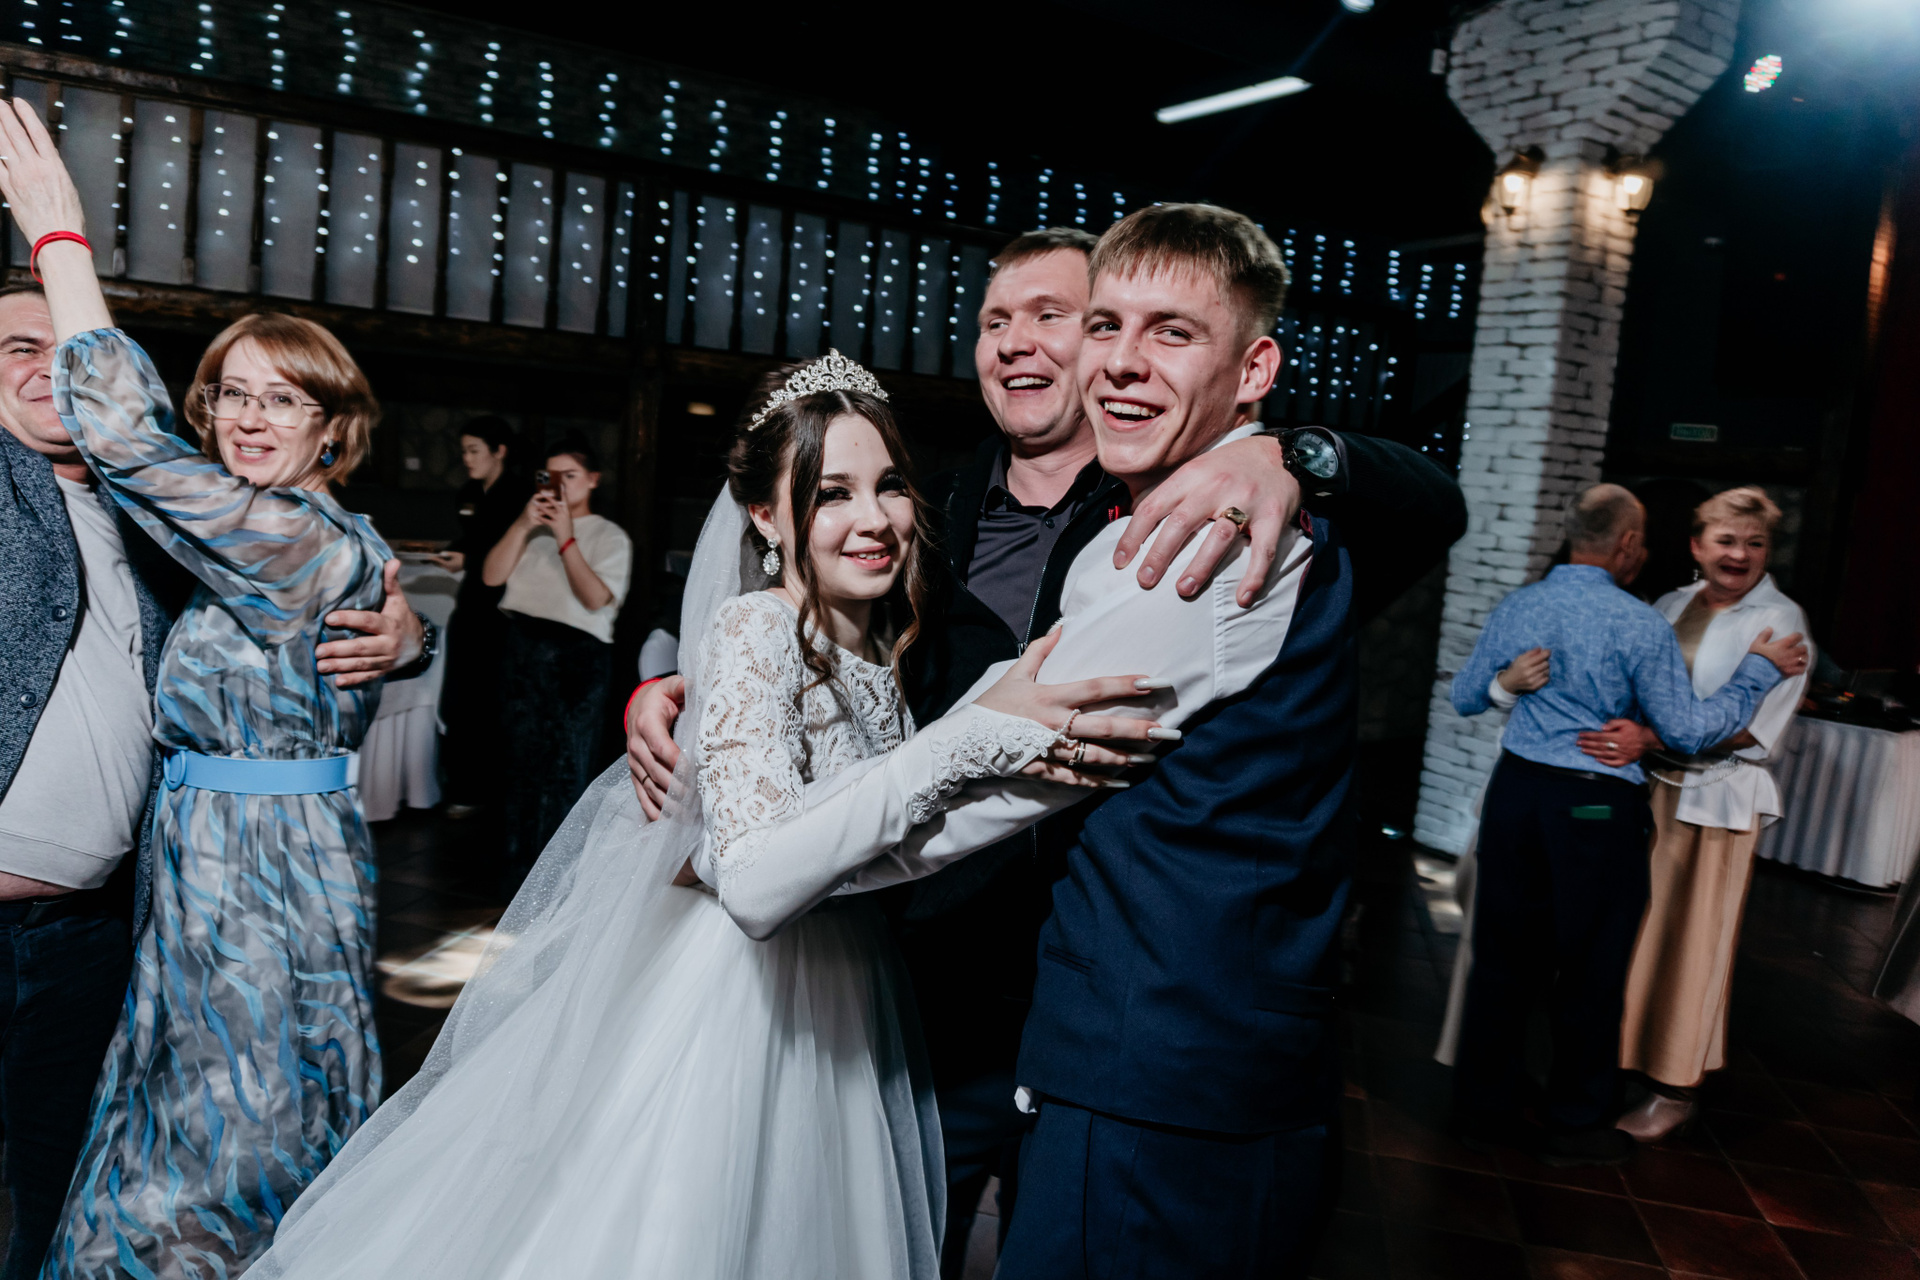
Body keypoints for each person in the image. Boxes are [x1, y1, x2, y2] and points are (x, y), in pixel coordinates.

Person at [626, 224, 1455, 1274]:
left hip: (1126, 1010)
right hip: (939, 980)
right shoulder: (921, 509)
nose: (1029, 342)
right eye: (999, 320)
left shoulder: (1196, 523)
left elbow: (1436, 504)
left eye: (1056, 316)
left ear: (1248, 371)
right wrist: (695, 702)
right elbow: (813, 647)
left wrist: (1291, 451)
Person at [248, 354, 1161, 1279]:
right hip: (742, 989)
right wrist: (971, 741)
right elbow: (757, 878)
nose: (875, 517)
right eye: (831, 494)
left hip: (848, 974)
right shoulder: (756, 629)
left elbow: (878, 836)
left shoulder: (881, 637)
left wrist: (1033, 766)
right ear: (764, 516)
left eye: (889, 485)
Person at [0, 97, 424, 1279]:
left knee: (235, 1137)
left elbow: (129, 440)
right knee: (168, 1131)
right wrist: (409, 639)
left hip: (264, 882)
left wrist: (59, 235)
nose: (247, 415)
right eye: (232, 391)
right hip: (193, 871)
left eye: (282, 397)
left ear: (333, 428)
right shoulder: (236, 536)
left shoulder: (299, 538)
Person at [1448, 483, 1809, 1169]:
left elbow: (1466, 696)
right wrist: (1757, 673)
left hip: (1516, 796)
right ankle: (1576, 1124)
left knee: (1501, 959)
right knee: (1591, 965)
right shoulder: (1640, 621)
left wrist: (1505, 686)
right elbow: (1688, 729)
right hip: (1590, 808)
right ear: (1628, 545)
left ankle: (1480, 1112)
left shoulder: (1521, 604)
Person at [1566, 487, 1811, 1141]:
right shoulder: (1672, 604)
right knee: (1634, 934)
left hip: (1715, 801)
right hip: (1647, 789)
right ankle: (1622, 1059)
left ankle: (1673, 1089)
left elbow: (1757, 729)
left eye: (1755, 544)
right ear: (1698, 545)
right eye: (1726, 541)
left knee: (1692, 943)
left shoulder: (1781, 619)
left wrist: (1651, 737)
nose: (1740, 555)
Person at [484, 434, 632, 890]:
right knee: (517, 762)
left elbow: (595, 599)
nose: (560, 485)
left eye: (570, 475)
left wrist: (567, 537)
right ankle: (512, 871)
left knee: (565, 767)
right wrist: (521, 526)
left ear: (593, 480)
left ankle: (554, 881)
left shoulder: (610, 535)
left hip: (576, 660)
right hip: (522, 651)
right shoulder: (532, 531)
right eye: (550, 477)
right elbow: (491, 576)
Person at [432, 414, 529, 815]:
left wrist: (468, 559)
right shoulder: (468, 493)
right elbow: (473, 539)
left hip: (505, 611)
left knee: (491, 699)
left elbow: (516, 553)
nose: (468, 459)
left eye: (474, 451)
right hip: (471, 604)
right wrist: (457, 551)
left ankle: (489, 791)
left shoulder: (521, 496)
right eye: (464, 452)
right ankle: (462, 785)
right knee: (459, 696)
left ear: (499, 451)